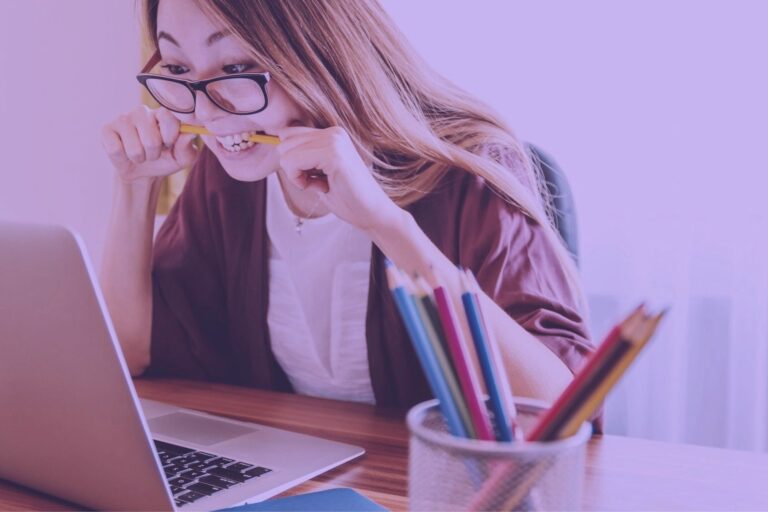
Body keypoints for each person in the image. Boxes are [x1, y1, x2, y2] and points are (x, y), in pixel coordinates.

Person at [99, 0, 597, 423]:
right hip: (299, 479)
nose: (204, 112)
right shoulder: (230, 179)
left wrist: (386, 224)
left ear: (321, 52)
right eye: (178, 69)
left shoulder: (469, 171)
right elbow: (130, 352)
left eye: (235, 68)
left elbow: (561, 413)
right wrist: (135, 187)